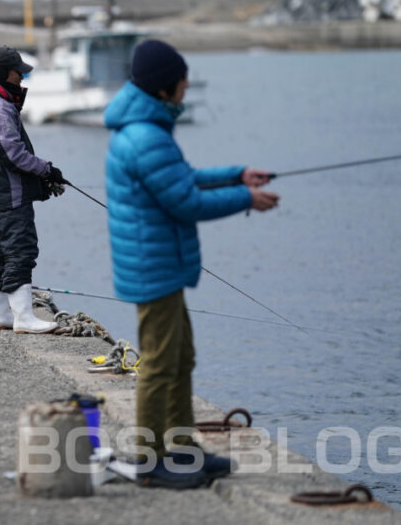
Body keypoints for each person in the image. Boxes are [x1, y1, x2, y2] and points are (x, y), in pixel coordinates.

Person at [104, 39, 279, 489]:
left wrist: (236, 174)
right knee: (161, 363)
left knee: (181, 357)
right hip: (154, 266)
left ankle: (181, 449)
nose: (187, 85)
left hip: (158, 263)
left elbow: (184, 178)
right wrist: (247, 199)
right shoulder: (145, 136)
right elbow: (185, 200)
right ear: (166, 87)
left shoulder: (146, 129)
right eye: (182, 78)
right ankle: (149, 458)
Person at [0, 45, 64, 334]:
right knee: (20, 249)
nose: (21, 78)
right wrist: (47, 169)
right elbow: (14, 154)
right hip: (8, 195)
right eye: (17, 72)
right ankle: (24, 318)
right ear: (3, 74)